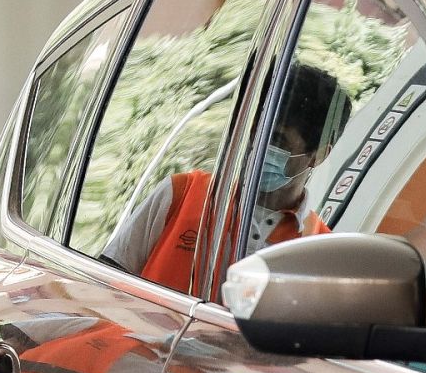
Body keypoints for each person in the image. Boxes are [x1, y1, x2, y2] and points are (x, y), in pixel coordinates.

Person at [101, 61, 350, 291]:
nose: (253, 146)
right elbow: (104, 283)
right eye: (248, 130)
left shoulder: (321, 253)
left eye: (275, 138)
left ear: (318, 156)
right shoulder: (181, 194)